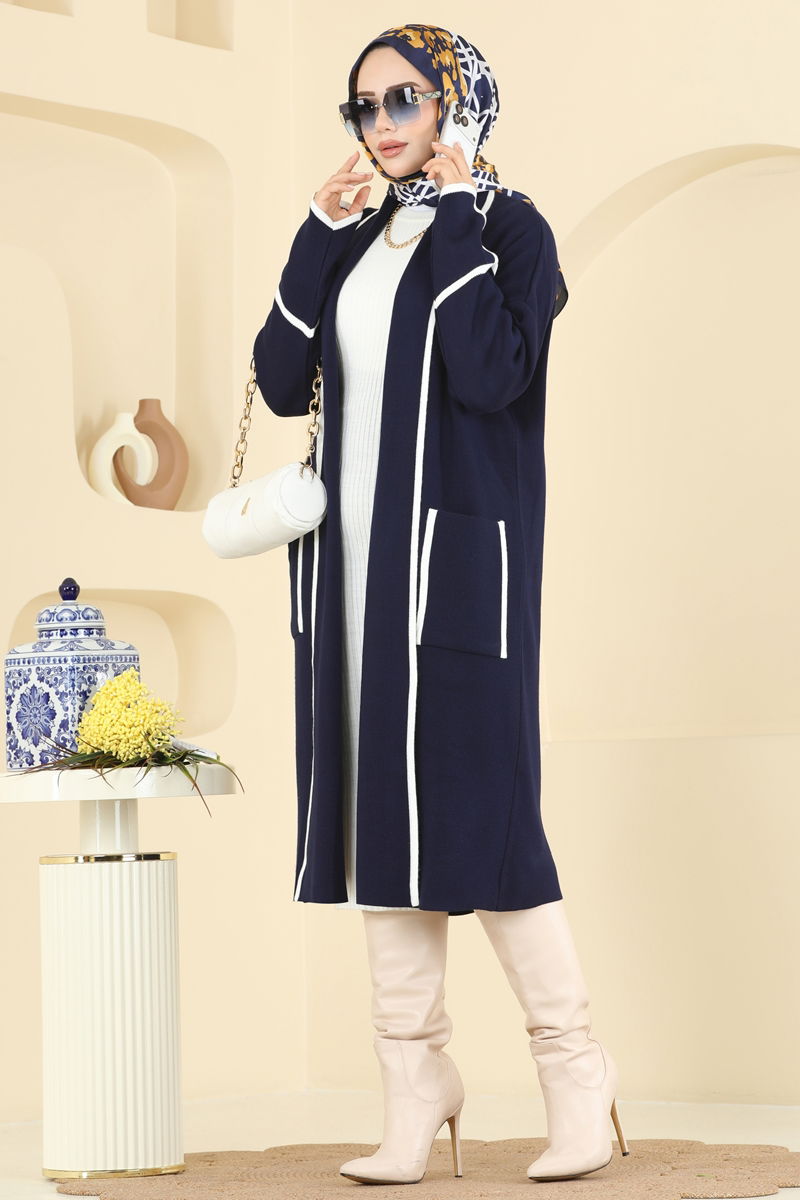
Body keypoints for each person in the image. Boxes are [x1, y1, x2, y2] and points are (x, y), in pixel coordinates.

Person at [253, 22, 628, 1187]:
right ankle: (414, 1087)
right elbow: (280, 381)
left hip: (457, 572)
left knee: (489, 821)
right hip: (350, 577)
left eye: (404, 98)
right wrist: (316, 234)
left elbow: (489, 373)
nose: (380, 124)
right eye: (362, 106)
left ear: (456, 104)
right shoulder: (355, 237)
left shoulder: (511, 230)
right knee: (378, 822)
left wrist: (458, 209)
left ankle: (575, 1072)